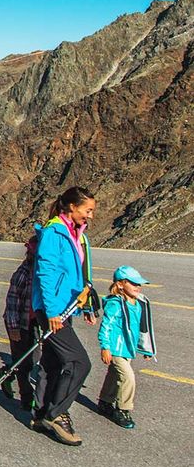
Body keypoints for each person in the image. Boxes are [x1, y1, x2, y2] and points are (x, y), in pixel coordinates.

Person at [31, 186, 97, 446]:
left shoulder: (78, 234)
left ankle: (39, 415)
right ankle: (56, 414)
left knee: (52, 361)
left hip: (65, 307)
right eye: (87, 210)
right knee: (79, 362)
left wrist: (88, 306)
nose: (90, 216)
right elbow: (45, 274)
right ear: (72, 207)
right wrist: (52, 312)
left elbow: (81, 275)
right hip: (52, 310)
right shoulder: (54, 232)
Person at [97, 265, 156, 430]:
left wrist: (146, 349)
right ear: (121, 284)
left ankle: (105, 401)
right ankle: (123, 409)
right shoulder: (116, 304)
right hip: (115, 349)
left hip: (127, 349)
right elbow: (106, 326)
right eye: (134, 283)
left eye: (139, 284)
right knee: (128, 377)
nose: (138, 287)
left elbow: (142, 328)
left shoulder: (138, 303)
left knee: (114, 376)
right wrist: (105, 347)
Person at [0, 235, 40, 411]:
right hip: (17, 323)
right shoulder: (22, 273)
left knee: (32, 358)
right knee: (24, 363)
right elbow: (12, 302)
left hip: (33, 322)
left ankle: (5, 373)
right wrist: (14, 328)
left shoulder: (41, 274)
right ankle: (26, 398)